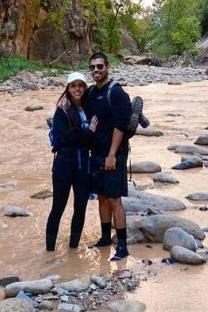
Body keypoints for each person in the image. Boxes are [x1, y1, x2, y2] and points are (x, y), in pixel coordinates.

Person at [84, 52, 132, 261]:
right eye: (93, 67)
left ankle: (122, 246)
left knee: (114, 199)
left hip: (114, 154)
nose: (96, 71)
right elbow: (79, 107)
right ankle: (105, 238)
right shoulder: (92, 93)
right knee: (101, 197)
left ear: (107, 67)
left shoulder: (117, 93)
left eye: (100, 66)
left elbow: (120, 127)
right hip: (97, 153)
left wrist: (112, 155)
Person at [45, 71, 97, 252]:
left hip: (83, 164)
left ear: (85, 88)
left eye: (80, 85)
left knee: (80, 207)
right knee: (58, 207)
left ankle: (73, 249)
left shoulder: (88, 107)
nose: (77, 89)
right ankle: (49, 251)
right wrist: (88, 133)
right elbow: (65, 138)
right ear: (68, 88)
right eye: (73, 86)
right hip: (64, 164)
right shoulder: (62, 110)